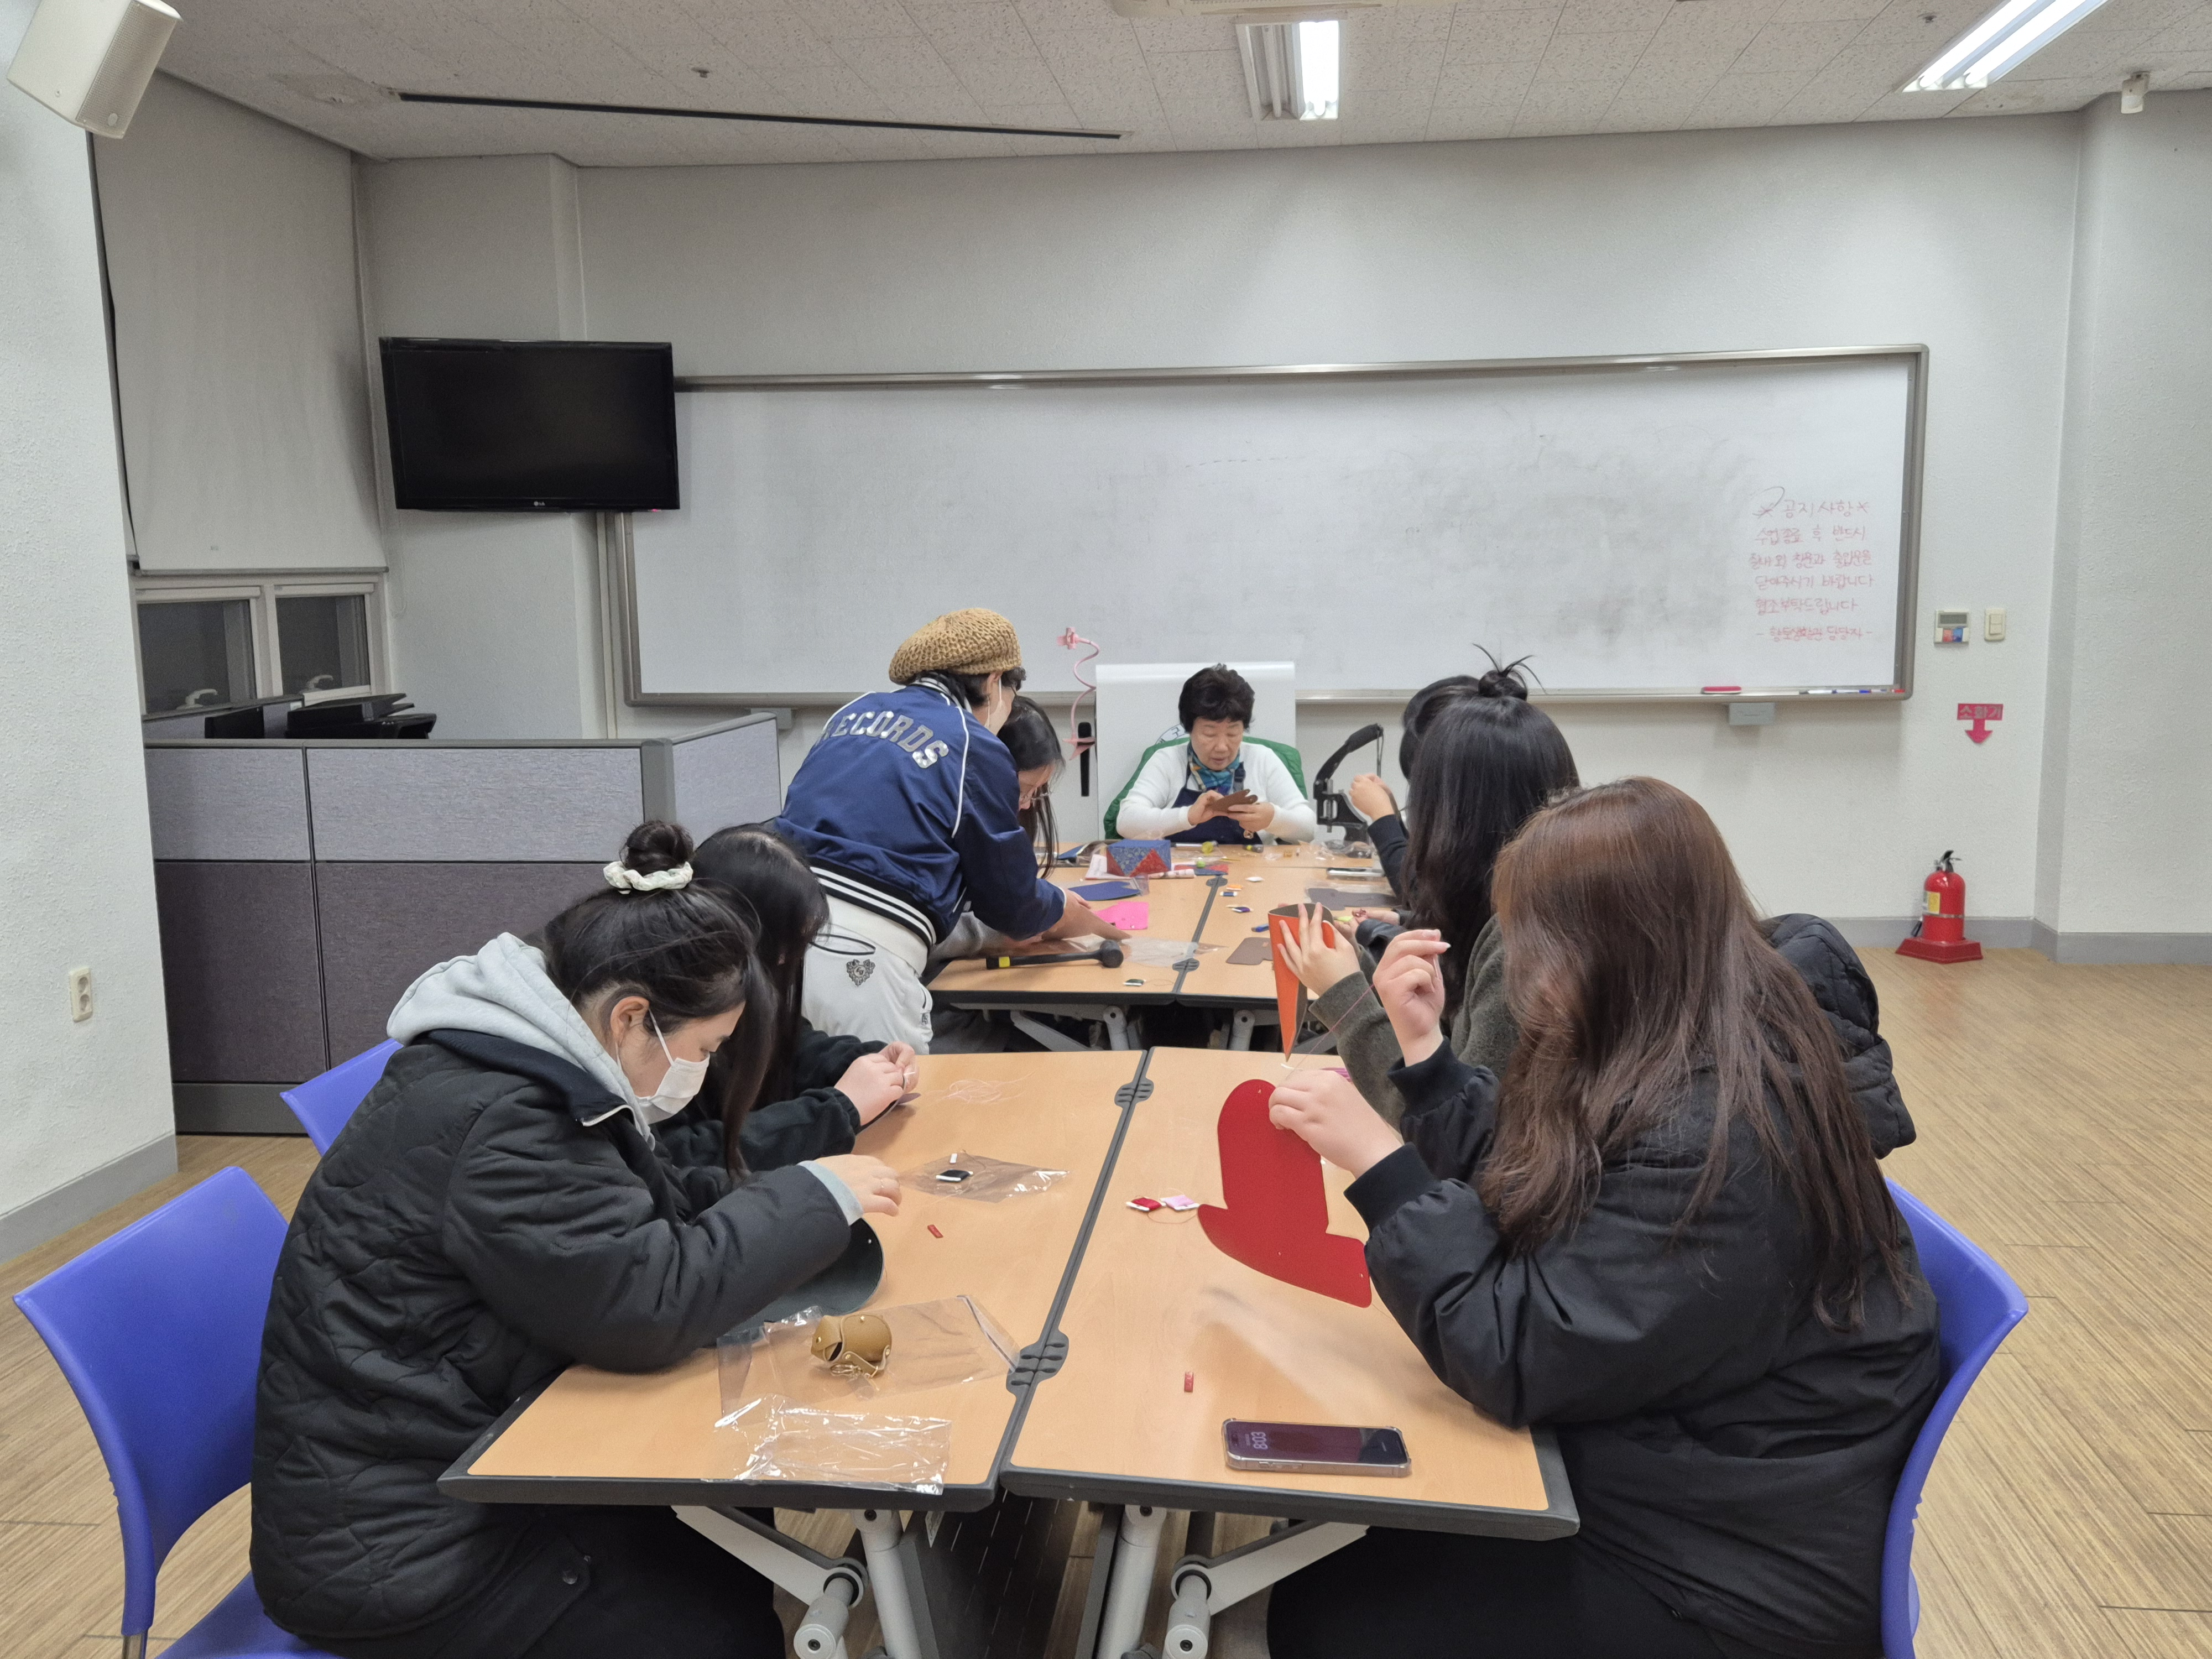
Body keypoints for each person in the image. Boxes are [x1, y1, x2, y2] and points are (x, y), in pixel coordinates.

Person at [1264, 779, 1939, 1659]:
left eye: (1543, 951)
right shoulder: (1683, 1035)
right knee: (1348, 1546)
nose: (1529, 980)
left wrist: (1383, 1167)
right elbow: (1542, 1181)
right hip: (1682, 1467)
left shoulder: (1726, 1140)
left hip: (1731, 1575)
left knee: (1326, 1615)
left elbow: (1519, 1351)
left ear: (1626, 947)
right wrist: (1427, 1061)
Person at [252, 823, 904, 1659]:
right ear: (633, 1018)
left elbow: (647, 1205)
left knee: (731, 1540)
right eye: (705, 1049)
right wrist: (810, 1199)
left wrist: (802, 1203)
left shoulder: (525, 1063)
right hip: (400, 1551)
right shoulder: (509, 1120)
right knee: (718, 1626)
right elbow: (648, 1304)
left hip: (442, 1457)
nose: (703, 1070)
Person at [776, 610, 1122, 1052]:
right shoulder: (972, 742)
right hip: (865, 957)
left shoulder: (852, 712)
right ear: (995, 681)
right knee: (893, 1087)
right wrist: (1062, 909)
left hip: (781, 933)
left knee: (815, 1080)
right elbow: (1010, 903)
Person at [1285, 680, 1579, 1122]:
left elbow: (1452, 1130)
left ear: (1454, 821)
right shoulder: (1542, 899)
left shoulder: (1523, 945)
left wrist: (1344, 993)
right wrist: (1388, 945)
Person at [658, 822, 916, 1172]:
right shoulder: (667, 1022)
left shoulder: (736, 998)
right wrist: (838, 1108)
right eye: (781, 948)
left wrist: (867, 1062)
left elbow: (790, 1045)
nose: (785, 962)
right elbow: (683, 1159)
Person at [1341, 657, 1532, 894]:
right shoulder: (1497, 790)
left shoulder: (1485, 830)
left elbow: (1420, 893)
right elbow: (1426, 872)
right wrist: (1393, 815)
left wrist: (1382, 817)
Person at [1114, 663, 1316, 845]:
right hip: (1182, 871)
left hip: (1252, 870)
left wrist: (1273, 818)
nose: (1222, 747)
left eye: (1233, 733)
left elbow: (1308, 829)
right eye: (1209, 734)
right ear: (1189, 729)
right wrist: (1187, 817)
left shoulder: (1263, 759)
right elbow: (1126, 822)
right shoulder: (1167, 761)